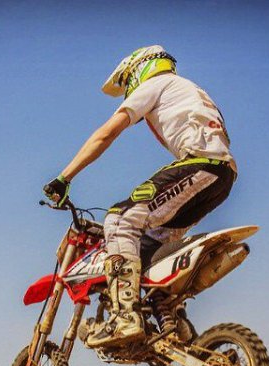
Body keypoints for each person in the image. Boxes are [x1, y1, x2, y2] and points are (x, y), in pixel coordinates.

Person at [43, 45, 236, 348]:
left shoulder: (155, 84)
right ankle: (175, 323)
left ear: (140, 69)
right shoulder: (189, 89)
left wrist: (64, 177)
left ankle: (125, 317)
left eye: (127, 82)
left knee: (120, 219)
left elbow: (106, 133)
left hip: (201, 164)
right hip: (222, 175)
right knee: (151, 246)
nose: (127, 90)